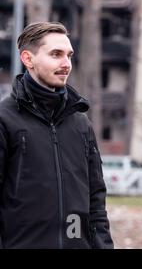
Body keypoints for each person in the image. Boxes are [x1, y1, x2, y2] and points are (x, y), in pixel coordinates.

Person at [0, 22, 113, 248]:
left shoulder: (81, 124)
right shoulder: (5, 119)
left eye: (69, 56)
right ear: (28, 59)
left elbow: (96, 204)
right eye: (56, 54)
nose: (66, 64)